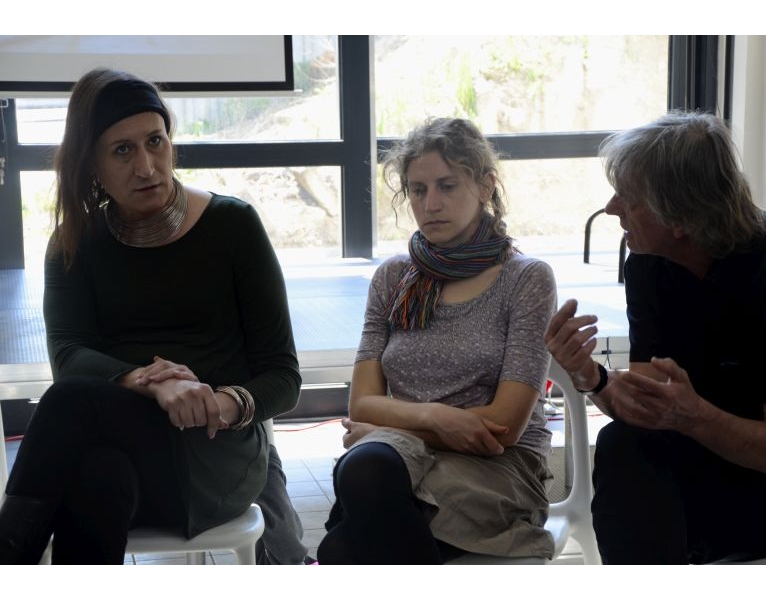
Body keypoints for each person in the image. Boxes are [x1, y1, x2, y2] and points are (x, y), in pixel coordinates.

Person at [0, 67, 305, 564]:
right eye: (122, 150)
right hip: (127, 447)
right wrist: (153, 383)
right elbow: (68, 357)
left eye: (155, 141)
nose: (146, 167)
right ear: (91, 164)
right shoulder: (74, 243)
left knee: (70, 406)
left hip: (215, 453)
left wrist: (214, 404)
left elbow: (284, 377)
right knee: (96, 479)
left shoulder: (233, 225)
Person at [544, 110, 766, 564]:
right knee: (623, 444)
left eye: (628, 197)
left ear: (681, 217)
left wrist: (696, 418)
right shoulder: (649, 263)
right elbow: (648, 410)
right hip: (703, 467)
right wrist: (589, 376)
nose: (611, 208)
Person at [317, 117, 557, 564]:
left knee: (346, 538)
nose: (430, 204)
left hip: (496, 467)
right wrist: (436, 418)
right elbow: (362, 406)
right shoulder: (393, 277)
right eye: (417, 190)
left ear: (485, 186)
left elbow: (504, 427)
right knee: (370, 470)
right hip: (401, 455)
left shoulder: (526, 279)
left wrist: (389, 428)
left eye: (447, 186)